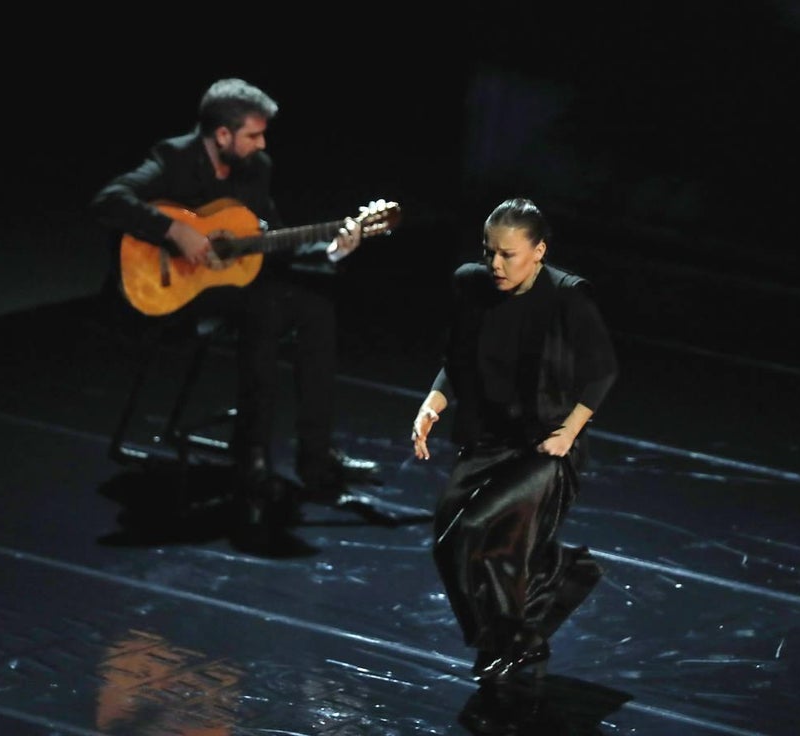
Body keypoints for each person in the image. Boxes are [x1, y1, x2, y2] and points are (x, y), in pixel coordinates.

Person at [90, 76, 382, 515]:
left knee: (317, 311)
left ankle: (316, 458)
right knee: (263, 311)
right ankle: (252, 462)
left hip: (234, 289)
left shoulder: (256, 169)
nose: (262, 144)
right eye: (253, 134)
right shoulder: (174, 158)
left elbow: (269, 239)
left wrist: (334, 247)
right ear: (222, 134)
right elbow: (109, 200)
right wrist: (173, 230)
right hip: (172, 292)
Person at [410, 197, 618, 684]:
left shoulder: (567, 298)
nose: (495, 264)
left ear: (538, 251)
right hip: (490, 440)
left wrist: (568, 433)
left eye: (508, 254)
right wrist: (432, 404)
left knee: (480, 534)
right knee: (448, 539)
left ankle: (510, 641)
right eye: (489, 252)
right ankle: (547, 587)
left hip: (545, 445)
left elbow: (602, 371)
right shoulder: (474, 287)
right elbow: (457, 361)